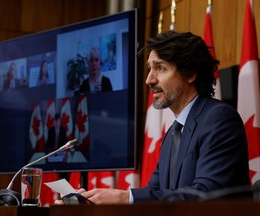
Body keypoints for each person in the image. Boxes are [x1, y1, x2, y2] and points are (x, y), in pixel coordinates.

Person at [56, 31, 251, 204]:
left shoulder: (219, 119)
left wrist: (126, 198)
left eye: (160, 68)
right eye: (150, 68)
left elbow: (205, 196)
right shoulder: (174, 130)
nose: (149, 79)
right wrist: (104, 198)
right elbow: (154, 193)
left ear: (191, 73)